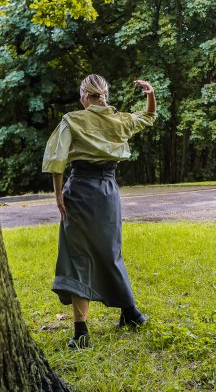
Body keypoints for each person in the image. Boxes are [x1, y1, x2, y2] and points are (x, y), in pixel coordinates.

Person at [42, 74, 156, 349]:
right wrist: (149, 93)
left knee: (77, 257)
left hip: (80, 192)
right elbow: (149, 116)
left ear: (84, 96)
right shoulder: (119, 120)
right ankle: (131, 312)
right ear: (104, 95)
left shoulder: (72, 119)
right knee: (110, 253)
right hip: (108, 193)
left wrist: (58, 195)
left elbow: (57, 161)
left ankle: (81, 334)